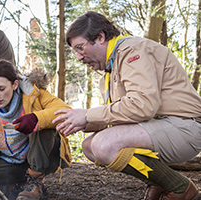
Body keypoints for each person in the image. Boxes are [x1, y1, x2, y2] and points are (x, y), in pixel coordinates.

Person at [53, 11, 201, 200]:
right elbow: (117, 116)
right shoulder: (109, 73)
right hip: (159, 126)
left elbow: (142, 106)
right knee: (89, 146)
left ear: (100, 37)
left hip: (185, 126)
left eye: (80, 48)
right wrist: (79, 122)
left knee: (103, 144)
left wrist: (88, 115)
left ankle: (182, 189)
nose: (79, 57)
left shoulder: (132, 51)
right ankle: (160, 182)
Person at [0, 59, 71, 200]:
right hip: (8, 162)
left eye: (1, 89)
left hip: (41, 157)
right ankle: (17, 182)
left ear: (14, 84)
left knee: (44, 126)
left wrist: (35, 118)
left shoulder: (34, 93)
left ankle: (34, 181)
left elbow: (65, 111)